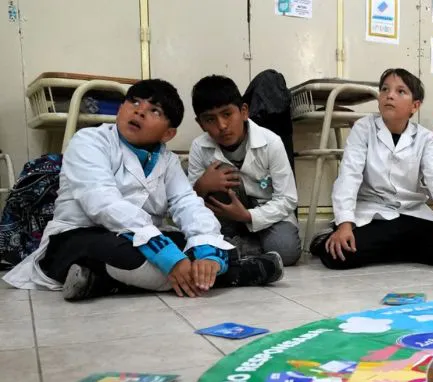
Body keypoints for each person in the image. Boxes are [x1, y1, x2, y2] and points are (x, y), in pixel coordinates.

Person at [2, 79, 284, 300]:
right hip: (77, 240)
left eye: (154, 111)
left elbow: (188, 203)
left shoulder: (167, 160)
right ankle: (240, 273)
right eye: (134, 102)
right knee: (124, 250)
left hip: (137, 240)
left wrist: (206, 246)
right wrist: (169, 257)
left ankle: (101, 282)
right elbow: (103, 204)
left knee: (197, 244)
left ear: (168, 133)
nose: (139, 111)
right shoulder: (89, 141)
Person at [309, 68, 433, 270]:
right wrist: (345, 224)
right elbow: (349, 176)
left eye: (400, 91)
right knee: (338, 256)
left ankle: (390, 247)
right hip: (373, 215)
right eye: (385, 90)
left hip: (411, 215)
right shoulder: (363, 128)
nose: (389, 95)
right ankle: (333, 236)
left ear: (415, 106)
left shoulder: (425, 138)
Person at [187, 75, 301, 266]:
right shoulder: (199, 147)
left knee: (286, 251)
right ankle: (245, 247)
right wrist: (201, 186)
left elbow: (288, 199)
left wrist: (248, 216)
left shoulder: (271, 142)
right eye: (210, 119)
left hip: (267, 213)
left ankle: (232, 249)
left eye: (227, 114)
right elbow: (187, 202)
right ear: (200, 123)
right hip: (225, 218)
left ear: (244, 111)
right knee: (211, 186)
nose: (222, 126)